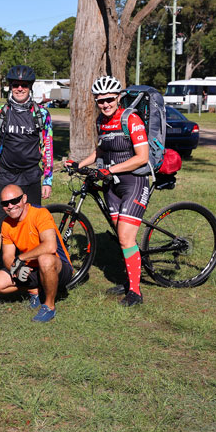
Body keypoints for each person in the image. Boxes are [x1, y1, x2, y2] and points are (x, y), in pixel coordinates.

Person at [67, 75, 149, 306]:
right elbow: (100, 152)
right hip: (111, 186)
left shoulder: (131, 120)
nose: (105, 104)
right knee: (122, 237)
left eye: (109, 99)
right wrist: (79, 164)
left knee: (125, 237)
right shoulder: (101, 122)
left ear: (118, 98)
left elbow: (141, 158)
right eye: (100, 101)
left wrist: (111, 169)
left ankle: (135, 292)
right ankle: (130, 278)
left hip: (134, 182)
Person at [0, 65, 54, 294]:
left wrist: (47, 180)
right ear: (10, 86)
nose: (20, 89)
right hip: (6, 176)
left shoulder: (41, 114)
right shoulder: (0, 113)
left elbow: (47, 148)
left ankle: (33, 267)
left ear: (30, 87)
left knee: (34, 224)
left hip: (31, 177)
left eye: (24, 85)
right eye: (16, 85)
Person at [0, 185, 72, 323]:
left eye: (15, 201)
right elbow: (7, 256)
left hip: (58, 267)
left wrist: (21, 258)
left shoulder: (40, 213)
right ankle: (34, 290)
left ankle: (49, 306)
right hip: (31, 268)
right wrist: (16, 268)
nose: (10, 206)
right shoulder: (6, 223)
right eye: (5, 203)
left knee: (45, 259)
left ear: (24, 198)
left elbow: (50, 246)